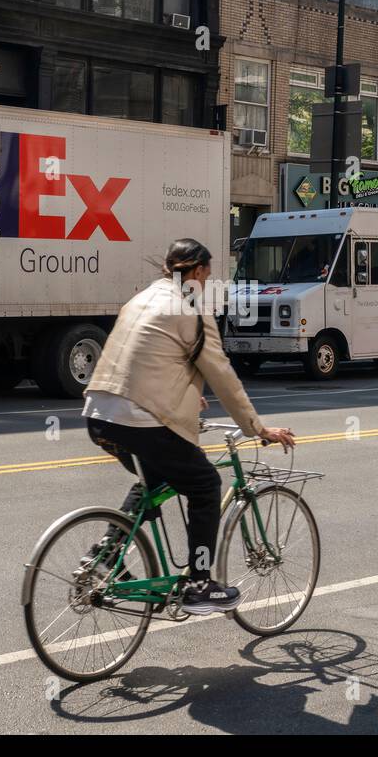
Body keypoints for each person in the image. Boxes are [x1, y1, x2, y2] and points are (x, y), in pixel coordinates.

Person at [83, 238, 296, 615]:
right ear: (197, 272)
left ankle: (104, 553)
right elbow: (223, 377)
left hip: (99, 413)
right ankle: (200, 583)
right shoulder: (191, 311)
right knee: (204, 485)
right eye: (208, 275)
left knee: (153, 481)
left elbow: (147, 361)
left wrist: (183, 394)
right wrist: (257, 428)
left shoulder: (140, 300)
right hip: (140, 420)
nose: (207, 283)